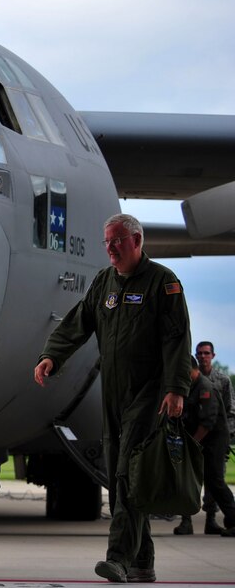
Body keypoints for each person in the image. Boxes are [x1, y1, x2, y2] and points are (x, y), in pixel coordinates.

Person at [34, 213, 191, 584]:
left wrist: (176, 388)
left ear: (137, 240)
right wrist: (50, 356)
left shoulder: (162, 283)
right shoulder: (104, 282)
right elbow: (78, 322)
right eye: (106, 242)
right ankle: (143, 562)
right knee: (123, 476)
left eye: (117, 241)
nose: (110, 248)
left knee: (127, 474)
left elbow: (177, 339)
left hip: (148, 394)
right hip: (113, 394)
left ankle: (118, 558)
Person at [171, 356, 235, 537]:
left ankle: (233, 519)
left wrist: (192, 445)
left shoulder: (206, 388)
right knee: (187, 480)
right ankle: (186, 523)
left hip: (212, 441)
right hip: (199, 441)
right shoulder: (191, 387)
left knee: (215, 481)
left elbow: (207, 423)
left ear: (192, 369)